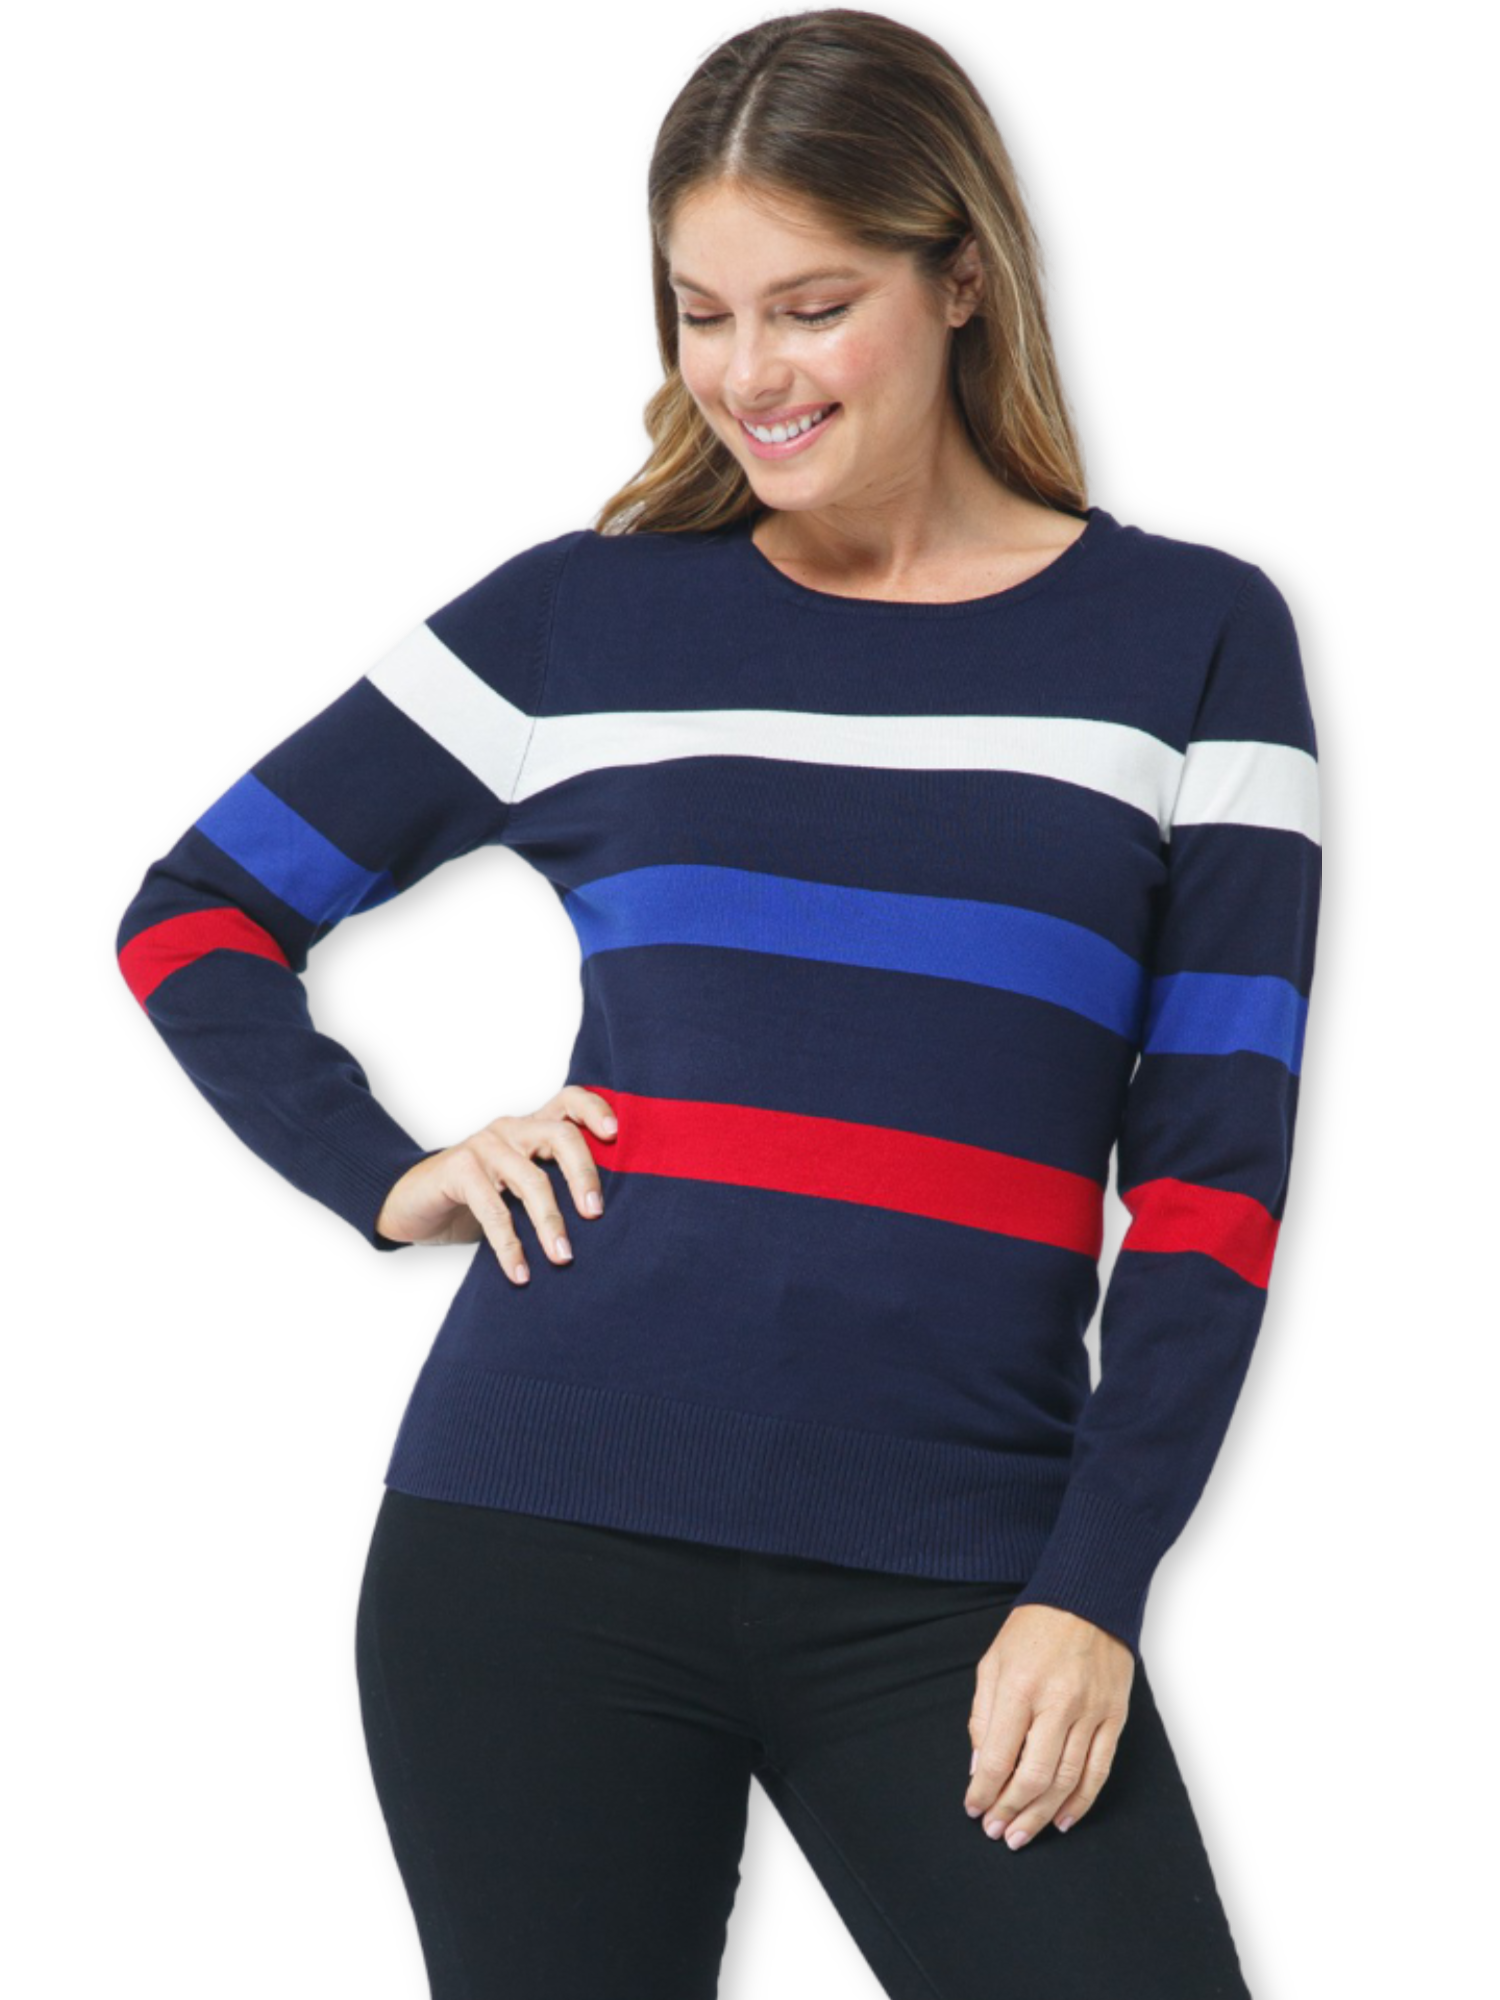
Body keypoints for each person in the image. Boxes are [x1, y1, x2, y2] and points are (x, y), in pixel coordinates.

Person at [114, 10, 1321, 1996]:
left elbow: (1209, 1184)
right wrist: (391, 1170)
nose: (751, 371)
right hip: (535, 1534)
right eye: (704, 312)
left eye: (813, 306)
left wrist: (1094, 1587)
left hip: (965, 1571)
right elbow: (198, 914)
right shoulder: (587, 616)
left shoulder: (1191, 638)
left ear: (961, 279)